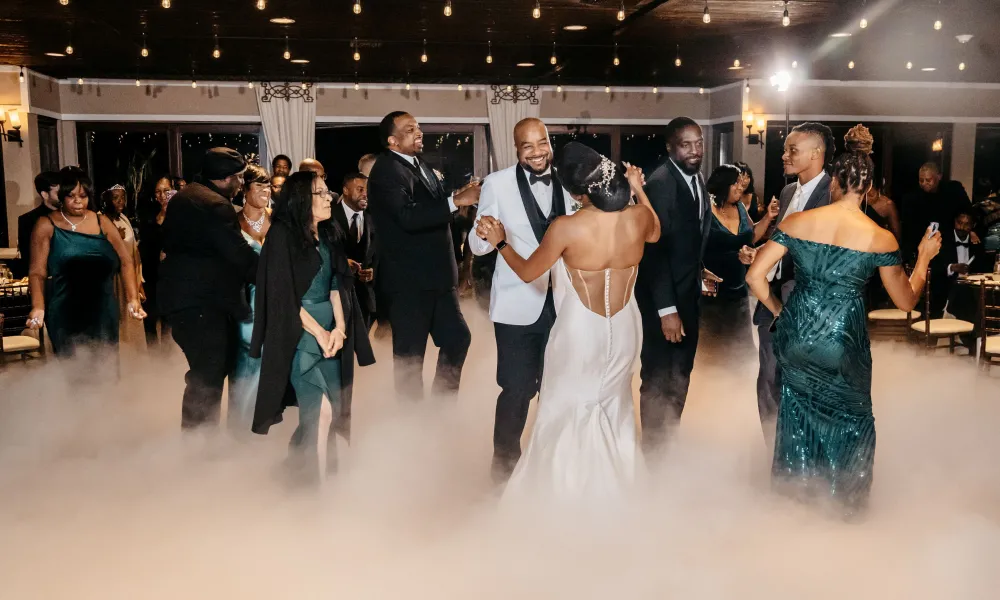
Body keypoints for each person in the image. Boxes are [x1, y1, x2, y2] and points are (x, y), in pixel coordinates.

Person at [746, 150, 942, 518]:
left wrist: (780, 313)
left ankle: (794, 508)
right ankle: (843, 512)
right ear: (869, 188)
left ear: (835, 181)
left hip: (796, 337)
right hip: (841, 342)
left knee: (797, 416)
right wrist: (925, 256)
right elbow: (906, 301)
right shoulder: (880, 238)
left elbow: (754, 276)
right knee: (852, 423)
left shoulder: (799, 222)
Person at [477, 142, 660, 500]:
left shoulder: (567, 227)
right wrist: (638, 188)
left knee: (565, 408)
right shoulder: (637, 217)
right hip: (624, 325)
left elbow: (530, 272)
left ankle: (564, 496)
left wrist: (500, 243)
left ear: (576, 192)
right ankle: (616, 494)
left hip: (580, 330)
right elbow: (655, 232)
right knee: (614, 405)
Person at [468, 117, 576, 483]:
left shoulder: (571, 181)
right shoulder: (497, 184)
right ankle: (502, 472)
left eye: (541, 143)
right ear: (517, 150)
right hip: (517, 306)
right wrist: (487, 234)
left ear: (550, 142)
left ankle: (549, 469)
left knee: (558, 389)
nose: (537, 152)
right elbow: (476, 245)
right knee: (516, 390)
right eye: (527, 146)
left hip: (566, 305)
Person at [251, 171, 375, 481]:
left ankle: (297, 474)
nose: (328, 197)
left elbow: (337, 285)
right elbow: (282, 296)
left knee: (328, 415)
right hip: (298, 334)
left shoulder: (330, 233)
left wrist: (340, 329)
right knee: (320, 412)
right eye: (320, 193)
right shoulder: (281, 235)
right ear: (302, 199)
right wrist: (320, 333)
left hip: (331, 333)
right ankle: (314, 494)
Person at [366, 111, 479, 401]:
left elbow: (432, 205)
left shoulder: (419, 164)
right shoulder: (386, 170)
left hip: (439, 280)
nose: (419, 133)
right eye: (410, 129)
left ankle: (441, 409)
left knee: (458, 339)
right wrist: (455, 201)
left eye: (418, 127)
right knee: (410, 361)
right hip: (409, 283)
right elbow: (406, 216)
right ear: (392, 141)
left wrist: (458, 194)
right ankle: (410, 426)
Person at [159, 148, 259, 430]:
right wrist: (277, 274)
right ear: (225, 178)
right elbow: (238, 256)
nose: (242, 184)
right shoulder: (215, 204)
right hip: (200, 304)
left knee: (206, 372)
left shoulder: (186, 195)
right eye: (239, 178)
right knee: (208, 374)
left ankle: (201, 440)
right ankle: (200, 446)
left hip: (182, 300)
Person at [634, 117, 718, 455]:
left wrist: (700, 271)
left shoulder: (695, 178)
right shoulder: (660, 183)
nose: (696, 150)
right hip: (663, 302)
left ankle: (667, 445)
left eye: (699, 142)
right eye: (686, 144)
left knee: (680, 374)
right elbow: (654, 253)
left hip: (687, 295)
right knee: (657, 378)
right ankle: (654, 456)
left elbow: (687, 240)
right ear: (670, 147)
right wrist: (667, 310)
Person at [753, 122, 835, 440]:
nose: (784, 155)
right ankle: (773, 451)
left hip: (807, 304)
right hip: (771, 301)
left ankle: (801, 454)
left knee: (803, 382)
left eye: (792, 150)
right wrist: (759, 254)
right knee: (768, 378)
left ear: (816, 153)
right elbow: (781, 244)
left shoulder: (833, 194)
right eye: (786, 149)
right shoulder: (788, 191)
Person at [27, 168, 146, 361]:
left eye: (83, 196)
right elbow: (37, 272)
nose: (78, 201)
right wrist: (38, 307)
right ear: (61, 196)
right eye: (71, 196)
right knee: (74, 372)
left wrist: (133, 298)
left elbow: (126, 261)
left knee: (106, 367)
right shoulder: (46, 224)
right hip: (66, 312)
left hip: (103, 310)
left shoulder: (101, 221)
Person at [700, 165, 778, 363]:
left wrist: (768, 217)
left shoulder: (741, 208)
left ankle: (736, 387)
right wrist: (700, 279)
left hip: (738, 288)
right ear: (722, 184)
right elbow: (691, 247)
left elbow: (751, 237)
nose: (740, 188)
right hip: (710, 288)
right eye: (735, 183)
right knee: (710, 346)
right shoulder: (705, 209)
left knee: (740, 348)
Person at [228, 165, 272, 432]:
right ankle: (239, 427)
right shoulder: (232, 222)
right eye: (259, 186)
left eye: (268, 186)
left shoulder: (278, 220)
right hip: (243, 301)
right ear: (244, 190)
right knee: (245, 361)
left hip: (272, 300)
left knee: (271, 362)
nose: (265, 191)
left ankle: (266, 423)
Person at [100, 184, 147, 353]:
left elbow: (134, 252)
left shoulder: (124, 219)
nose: (120, 201)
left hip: (128, 275)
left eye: (123, 197)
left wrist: (138, 279)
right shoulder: (101, 220)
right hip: (113, 277)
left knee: (132, 318)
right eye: (115, 198)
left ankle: (135, 357)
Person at [334, 172, 378, 330]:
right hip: (336, 298)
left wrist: (373, 272)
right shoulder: (328, 216)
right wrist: (341, 264)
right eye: (360, 189)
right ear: (345, 190)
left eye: (367, 190)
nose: (365, 194)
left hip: (365, 300)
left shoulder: (375, 218)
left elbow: (380, 254)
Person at [902, 162, 972, 260]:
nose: (924, 183)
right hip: (923, 246)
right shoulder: (911, 198)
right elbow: (908, 230)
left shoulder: (953, 190)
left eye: (928, 180)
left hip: (949, 245)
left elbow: (967, 212)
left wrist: (971, 231)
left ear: (939, 176)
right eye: (921, 180)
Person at [140, 176, 175, 348]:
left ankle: (168, 359)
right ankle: (153, 360)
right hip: (151, 275)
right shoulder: (148, 216)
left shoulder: (181, 214)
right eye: (158, 192)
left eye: (166, 191)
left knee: (169, 320)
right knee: (150, 318)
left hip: (172, 276)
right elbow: (144, 247)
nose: (162, 195)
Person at [929, 211, 982, 319]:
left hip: (971, 291)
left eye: (967, 224)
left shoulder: (976, 243)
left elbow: (982, 267)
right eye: (959, 222)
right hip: (946, 288)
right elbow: (933, 267)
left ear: (973, 226)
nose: (962, 227)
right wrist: (952, 267)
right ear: (954, 222)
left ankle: (973, 333)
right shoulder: (941, 240)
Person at [16, 172, 60, 278]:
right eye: (59, 193)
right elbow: (28, 257)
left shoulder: (71, 215)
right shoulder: (28, 220)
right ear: (45, 194)